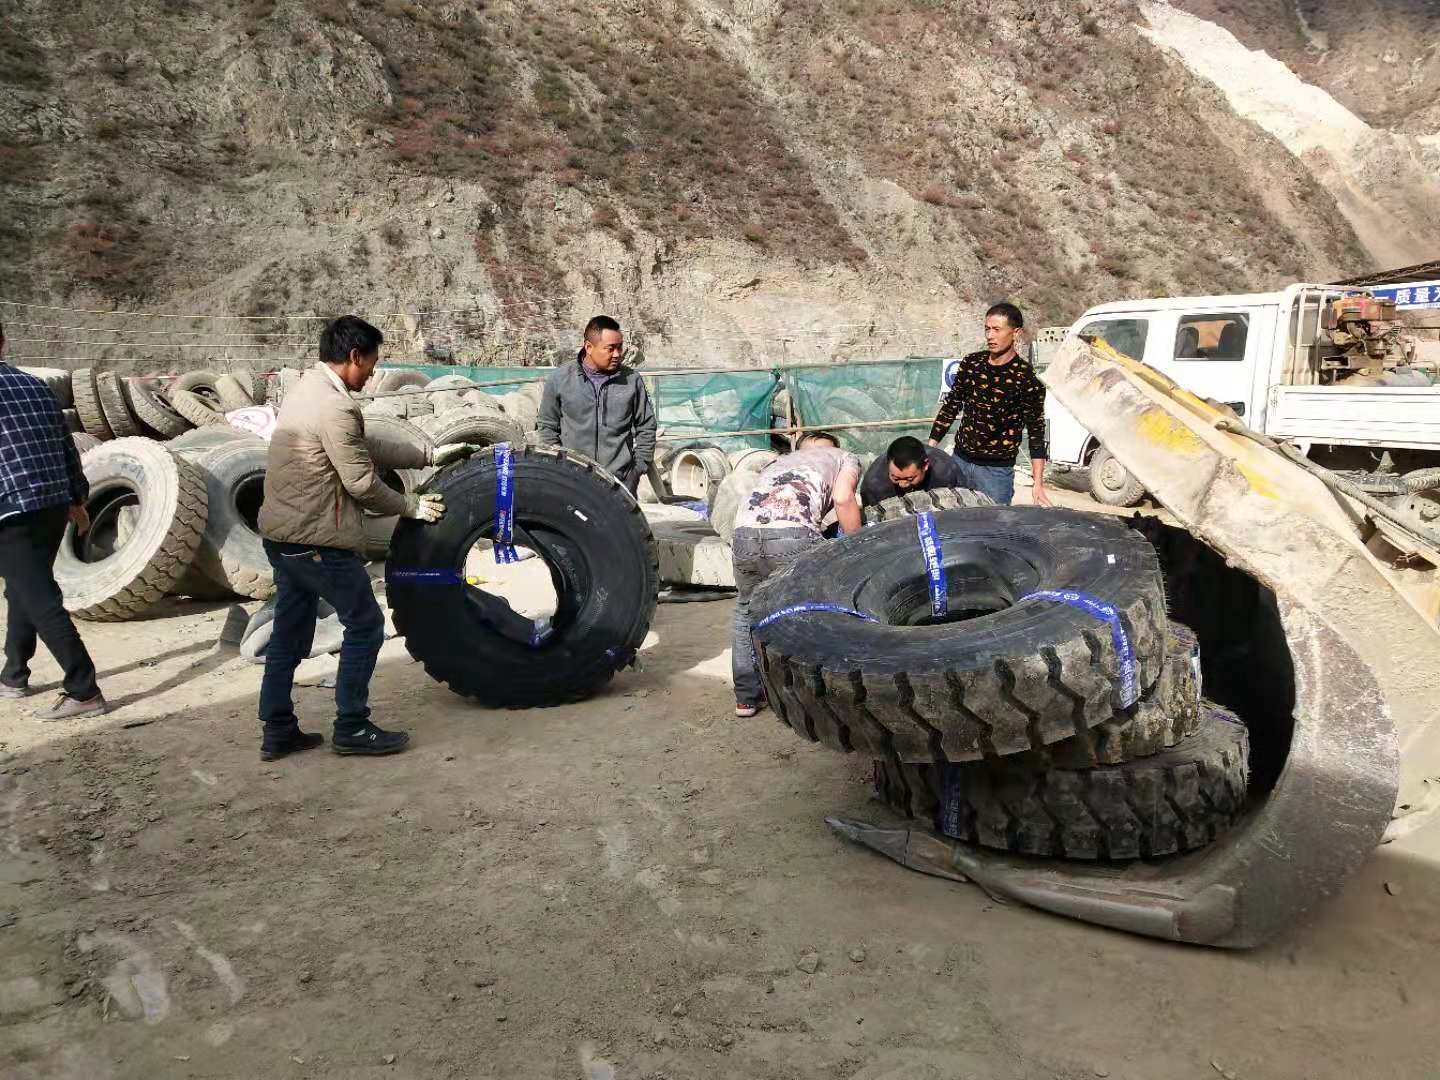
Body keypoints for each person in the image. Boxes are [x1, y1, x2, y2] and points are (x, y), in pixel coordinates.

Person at [256, 315, 472, 761]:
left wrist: (428, 453)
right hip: (316, 541)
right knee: (366, 625)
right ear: (355, 355)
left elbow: (362, 444)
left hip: (284, 538)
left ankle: (278, 730)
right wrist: (410, 505)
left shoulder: (308, 390)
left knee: (289, 633)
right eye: (372, 362)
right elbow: (361, 483)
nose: (373, 373)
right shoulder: (335, 406)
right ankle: (352, 726)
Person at [0, 325, 107, 720]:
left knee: (40, 599)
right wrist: (77, 498)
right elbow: (66, 444)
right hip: (52, 505)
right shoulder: (35, 385)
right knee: (24, 589)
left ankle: (84, 690)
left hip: (11, 510)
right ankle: (14, 674)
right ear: (3, 342)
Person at [729, 432, 862, 719]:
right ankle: (815, 698)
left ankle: (746, 697)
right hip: (791, 535)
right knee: (811, 609)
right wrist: (858, 550)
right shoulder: (845, 458)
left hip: (744, 533)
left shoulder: (780, 461)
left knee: (745, 609)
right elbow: (843, 498)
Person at [928, 302, 1051, 506]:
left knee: (992, 524)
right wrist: (930, 449)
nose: (990, 336)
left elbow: (1036, 431)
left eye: (996, 329)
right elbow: (951, 406)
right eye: (987, 329)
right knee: (955, 520)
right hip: (959, 462)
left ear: (1016, 332)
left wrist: (1038, 483)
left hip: (996, 473)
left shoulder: (1027, 378)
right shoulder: (971, 364)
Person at [537, 315, 656, 495]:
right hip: (572, 480)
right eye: (610, 348)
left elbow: (646, 425)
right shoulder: (560, 379)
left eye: (619, 347)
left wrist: (638, 469)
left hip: (620, 482)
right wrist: (559, 466)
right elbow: (547, 427)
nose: (617, 354)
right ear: (589, 347)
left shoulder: (632, 381)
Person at [859, 435, 966, 506]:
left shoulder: (946, 470)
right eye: (895, 478)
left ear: (925, 466)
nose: (902, 484)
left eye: (909, 478)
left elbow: (963, 500)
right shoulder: (874, 484)